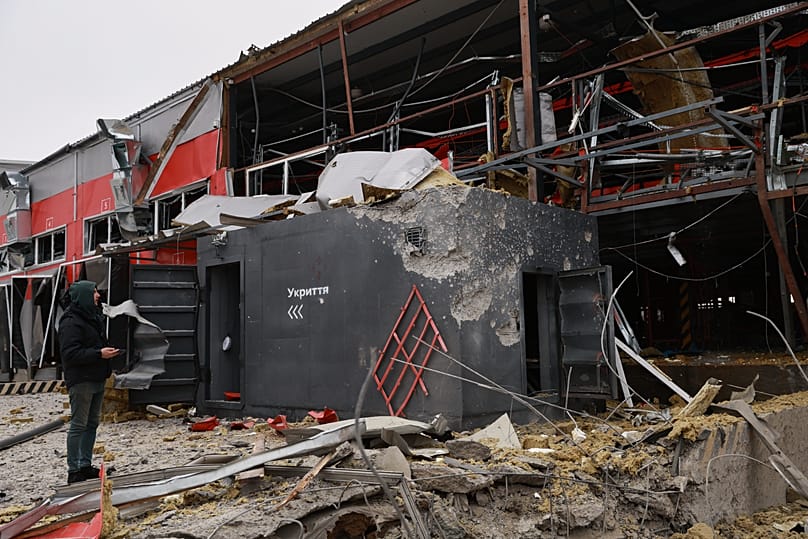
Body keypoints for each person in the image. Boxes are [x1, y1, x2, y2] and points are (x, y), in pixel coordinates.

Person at [58, 280, 120, 484]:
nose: (98, 295)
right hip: (81, 380)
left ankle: (85, 465)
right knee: (79, 424)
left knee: (92, 423)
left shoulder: (92, 317)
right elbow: (70, 354)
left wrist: (104, 355)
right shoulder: (71, 322)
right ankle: (73, 470)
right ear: (83, 295)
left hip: (96, 377)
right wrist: (98, 354)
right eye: (93, 292)